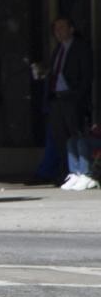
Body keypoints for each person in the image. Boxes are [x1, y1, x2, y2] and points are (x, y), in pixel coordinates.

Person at [46, 18, 95, 190]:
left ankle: (86, 171)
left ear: (71, 29)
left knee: (78, 133)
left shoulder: (80, 48)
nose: (58, 32)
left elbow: (87, 74)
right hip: (57, 97)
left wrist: (79, 95)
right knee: (63, 138)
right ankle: (71, 171)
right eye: (55, 29)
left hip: (73, 97)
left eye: (61, 28)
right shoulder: (58, 49)